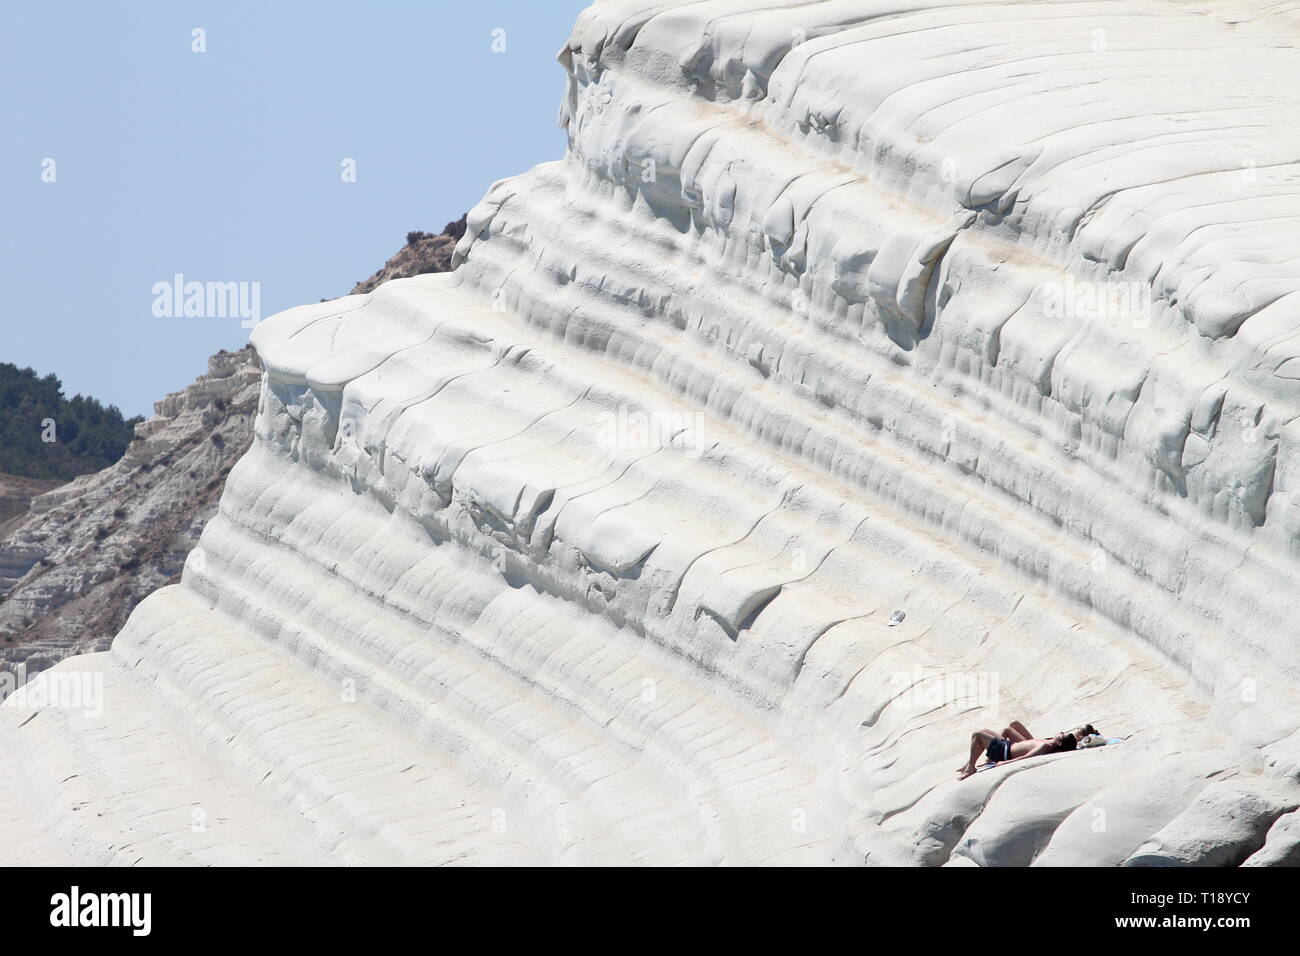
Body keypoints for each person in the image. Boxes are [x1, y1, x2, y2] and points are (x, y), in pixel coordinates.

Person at [956, 723, 1078, 780]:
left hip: (1004, 752)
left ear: (1059, 743)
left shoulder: (1047, 746)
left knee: (977, 735)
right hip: (1008, 746)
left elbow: (1026, 757)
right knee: (985, 730)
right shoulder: (1050, 744)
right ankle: (969, 763)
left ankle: (971, 767)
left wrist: (1004, 763)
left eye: (1062, 735)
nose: (1061, 732)